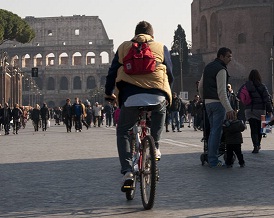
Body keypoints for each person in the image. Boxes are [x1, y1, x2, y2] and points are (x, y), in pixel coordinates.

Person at [104, 21, 173, 191]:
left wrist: (108, 93)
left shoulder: (124, 47)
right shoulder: (161, 46)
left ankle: (127, 171)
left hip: (130, 97)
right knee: (160, 108)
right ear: (152, 35)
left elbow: (112, 73)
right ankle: (155, 147)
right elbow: (170, 73)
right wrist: (164, 91)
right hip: (157, 95)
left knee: (123, 132)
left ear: (134, 34)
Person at [198, 47, 235, 167]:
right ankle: (213, 160)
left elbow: (200, 86)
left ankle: (211, 155)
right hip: (218, 104)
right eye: (228, 56)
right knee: (216, 131)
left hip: (208, 103)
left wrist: (205, 99)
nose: (230, 58)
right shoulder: (221, 69)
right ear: (221, 56)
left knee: (212, 131)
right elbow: (222, 92)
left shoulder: (208, 67)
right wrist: (229, 108)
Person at [242, 69, 273, 153]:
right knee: (260, 128)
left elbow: (240, 97)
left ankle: (255, 145)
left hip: (249, 110)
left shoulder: (246, 86)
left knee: (253, 129)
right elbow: (267, 99)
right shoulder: (262, 86)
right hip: (260, 110)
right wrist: (270, 110)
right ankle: (258, 144)